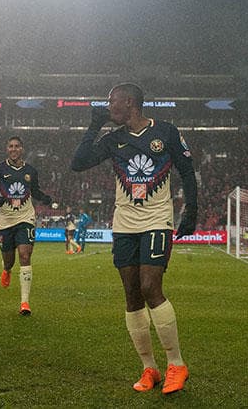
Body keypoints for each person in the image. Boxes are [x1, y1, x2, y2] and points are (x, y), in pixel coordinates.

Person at [71, 83, 198, 394]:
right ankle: (149, 368)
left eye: (111, 101)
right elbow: (78, 163)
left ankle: (176, 364)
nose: (108, 106)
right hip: (124, 224)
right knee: (131, 294)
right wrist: (94, 126)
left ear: (128, 102)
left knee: (150, 287)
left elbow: (187, 170)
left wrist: (191, 211)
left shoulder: (166, 132)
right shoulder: (113, 139)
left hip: (156, 221)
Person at [0, 136, 54, 316]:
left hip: (25, 217)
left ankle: (24, 302)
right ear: (7, 149)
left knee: (25, 255)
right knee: (9, 261)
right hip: (6, 220)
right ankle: (7, 269)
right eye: (11, 146)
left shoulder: (31, 171)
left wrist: (45, 198)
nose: (14, 149)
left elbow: (35, 191)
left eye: (17, 146)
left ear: (22, 149)